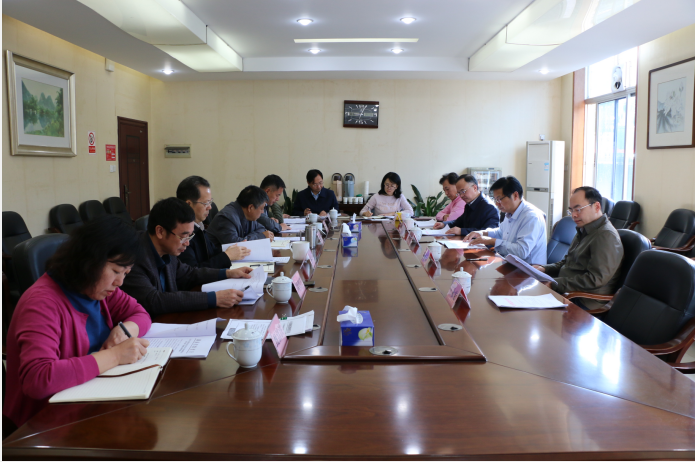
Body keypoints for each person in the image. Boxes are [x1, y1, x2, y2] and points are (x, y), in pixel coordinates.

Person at [4, 216, 152, 428]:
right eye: (116, 271)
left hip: (88, 400)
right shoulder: (42, 303)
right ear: (89, 261)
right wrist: (115, 355)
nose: (120, 282)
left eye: (126, 273)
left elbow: (140, 314)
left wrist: (124, 331)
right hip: (44, 422)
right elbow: (38, 379)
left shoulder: (98, 289)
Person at [121, 198, 253, 316]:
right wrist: (214, 298)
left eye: (190, 236)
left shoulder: (167, 249)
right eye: (183, 236)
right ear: (160, 231)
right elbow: (154, 301)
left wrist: (228, 273)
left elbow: (188, 274)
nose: (187, 243)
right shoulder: (132, 257)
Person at [533, 187, 624, 310]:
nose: (574, 215)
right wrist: (544, 269)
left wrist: (555, 284)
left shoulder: (606, 236)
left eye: (578, 209)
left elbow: (595, 279)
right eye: (571, 210)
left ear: (597, 206)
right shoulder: (584, 229)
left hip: (583, 300)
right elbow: (567, 262)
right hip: (567, 291)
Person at [463, 175, 547, 265]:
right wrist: (482, 233)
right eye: (495, 199)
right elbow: (501, 232)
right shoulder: (510, 212)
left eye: (499, 199)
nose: (497, 204)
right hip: (511, 264)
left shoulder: (531, 217)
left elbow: (522, 251)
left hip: (529, 269)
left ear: (515, 195)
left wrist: (492, 241)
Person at [176, 175, 251, 268]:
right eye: (206, 203)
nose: (210, 207)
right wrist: (227, 256)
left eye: (210, 202)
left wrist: (233, 249)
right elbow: (192, 271)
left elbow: (211, 252)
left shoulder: (199, 225)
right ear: (189, 204)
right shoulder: (181, 234)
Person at [207, 186, 274, 248]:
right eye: (261, 209)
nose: (262, 212)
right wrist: (261, 236)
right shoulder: (226, 218)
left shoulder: (248, 215)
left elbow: (261, 228)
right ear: (250, 207)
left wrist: (246, 238)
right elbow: (236, 246)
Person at [434, 174, 499, 234]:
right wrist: (444, 224)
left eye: (463, 191)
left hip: (480, 243)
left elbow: (490, 232)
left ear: (475, 188)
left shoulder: (489, 207)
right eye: (459, 193)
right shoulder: (469, 204)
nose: (461, 196)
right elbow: (459, 222)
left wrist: (461, 231)